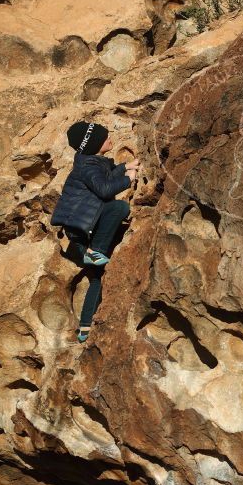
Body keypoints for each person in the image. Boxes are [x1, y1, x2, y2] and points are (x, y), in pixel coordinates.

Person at [50, 121, 140, 342]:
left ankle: (85, 327)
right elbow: (104, 188)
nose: (110, 139)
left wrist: (124, 167)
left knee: (98, 276)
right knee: (120, 207)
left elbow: (105, 175)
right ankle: (95, 250)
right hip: (81, 233)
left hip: (85, 229)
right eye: (106, 137)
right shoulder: (88, 166)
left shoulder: (90, 162)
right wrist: (128, 179)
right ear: (95, 144)